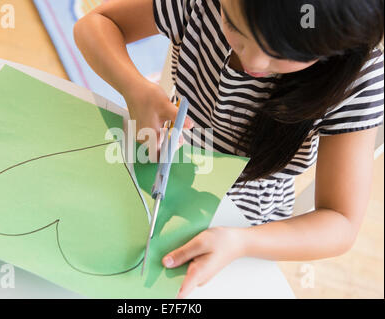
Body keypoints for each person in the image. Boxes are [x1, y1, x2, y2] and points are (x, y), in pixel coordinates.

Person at [74, 0, 384, 298]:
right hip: (162, 162)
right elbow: (96, 23)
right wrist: (135, 87)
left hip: (250, 224)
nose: (253, 62)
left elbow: (340, 221)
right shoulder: (201, 5)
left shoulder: (358, 78)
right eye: (235, 26)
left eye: (282, 52)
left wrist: (241, 242)